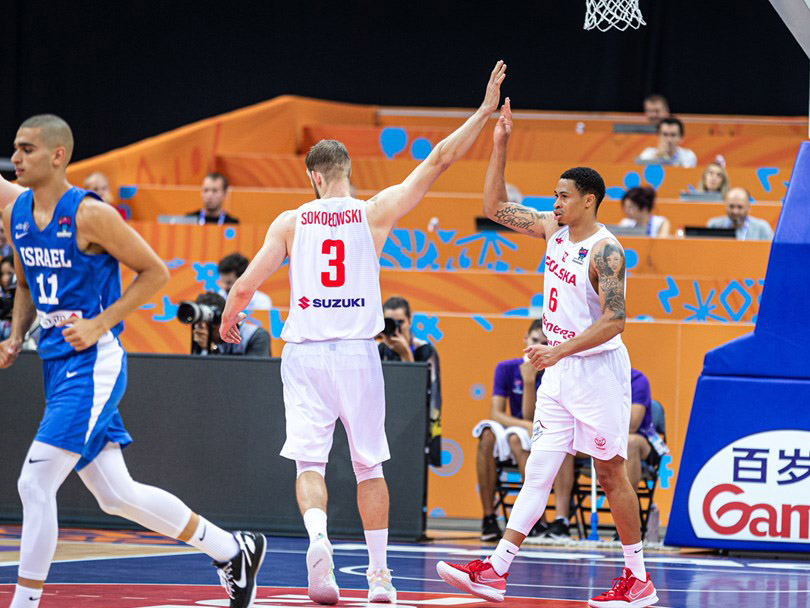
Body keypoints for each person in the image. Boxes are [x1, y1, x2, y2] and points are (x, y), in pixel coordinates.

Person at [218, 62, 507, 605]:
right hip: (356, 352)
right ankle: (378, 578)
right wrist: (483, 112)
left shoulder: (290, 222)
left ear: (313, 177)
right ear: (347, 172)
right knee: (368, 465)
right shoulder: (374, 212)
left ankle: (320, 539)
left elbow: (244, 286)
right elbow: (439, 159)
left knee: (309, 463)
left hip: (303, 353)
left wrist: (231, 318)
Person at [0, 114, 264, 608]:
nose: (15, 158)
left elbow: (155, 272)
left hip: (94, 362)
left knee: (34, 482)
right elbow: (26, 280)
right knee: (115, 494)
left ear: (59, 156)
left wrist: (101, 323)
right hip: (56, 363)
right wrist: (16, 335)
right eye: (14, 149)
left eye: (26, 149)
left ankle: (23, 604)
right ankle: (232, 550)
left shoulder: (88, 214)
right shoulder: (16, 213)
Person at [436, 99, 658, 607]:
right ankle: (496, 569)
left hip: (597, 369)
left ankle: (637, 577)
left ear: (590, 201)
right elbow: (494, 208)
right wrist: (500, 142)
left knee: (609, 471)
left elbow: (615, 320)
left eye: (563, 196)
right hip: (560, 369)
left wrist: (558, 351)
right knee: (539, 466)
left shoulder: (607, 251)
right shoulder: (552, 230)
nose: (554, 203)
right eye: (553, 195)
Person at [473, 319, 546, 541]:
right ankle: (488, 519)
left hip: (542, 429)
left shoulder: (554, 370)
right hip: (518, 426)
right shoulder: (505, 368)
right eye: (534, 341)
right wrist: (525, 426)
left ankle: (531, 520)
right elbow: (496, 414)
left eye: (545, 343)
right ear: (525, 339)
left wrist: (529, 382)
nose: (537, 347)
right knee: (487, 434)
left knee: (519, 439)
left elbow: (531, 417)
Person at [378, 295, 442, 467]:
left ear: (410, 321)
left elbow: (427, 395)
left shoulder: (425, 350)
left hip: (415, 427)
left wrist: (406, 355)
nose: (396, 329)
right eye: (390, 323)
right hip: (383, 424)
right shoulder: (377, 351)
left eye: (400, 322)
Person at [625, 369, 668, 493]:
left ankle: (628, 509)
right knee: (566, 441)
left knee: (629, 442)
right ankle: (564, 511)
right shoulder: (588, 379)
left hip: (641, 439)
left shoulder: (637, 379)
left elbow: (632, 426)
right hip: (594, 440)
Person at [190, 292, 271, 356]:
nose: (202, 326)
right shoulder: (200, 337)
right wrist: (204, 349)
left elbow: (254, 372)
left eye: (208, 321)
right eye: (200, 321)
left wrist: (212, 349)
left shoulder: (255, 335)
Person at [707, 187, 774, 240]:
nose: (735, 211)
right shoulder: (714, 225)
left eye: (740, 207)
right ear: (725, 206)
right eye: (731, 206)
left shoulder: (762, 228)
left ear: (748, 208)